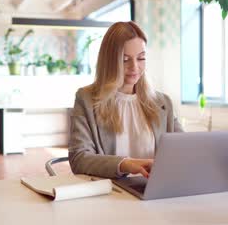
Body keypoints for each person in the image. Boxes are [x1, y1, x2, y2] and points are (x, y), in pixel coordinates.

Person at [69, 21, 184, 179]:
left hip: (155, 191)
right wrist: (125, 164)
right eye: (125, 59)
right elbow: (79, 159)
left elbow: (184, 149)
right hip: (111, 195)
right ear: (109, 61)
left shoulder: (163, 102)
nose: (135, 67)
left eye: (141, 58)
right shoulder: (86, 99)